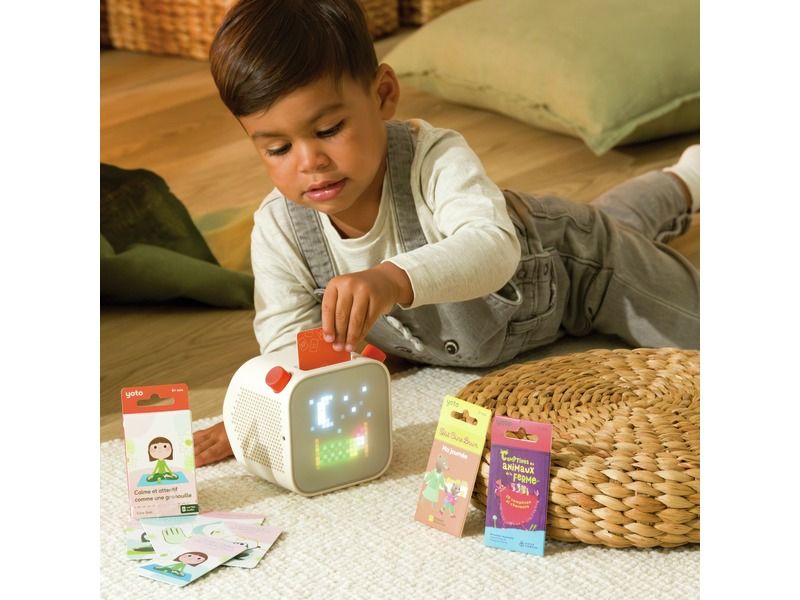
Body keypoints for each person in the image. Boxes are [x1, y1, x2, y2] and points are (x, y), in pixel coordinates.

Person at [193, 0, 700, 467]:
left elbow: (492, 248)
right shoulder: (280, 227)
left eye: (328, 130)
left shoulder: (434, 159)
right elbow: (287, 341)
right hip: (519, 316)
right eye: (277, 149)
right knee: (620, 218)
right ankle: (685, 180)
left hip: (582, 266)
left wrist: (390, 279)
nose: (310, 162)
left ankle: (689, 179)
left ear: (383, 95)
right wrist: (271, 410)